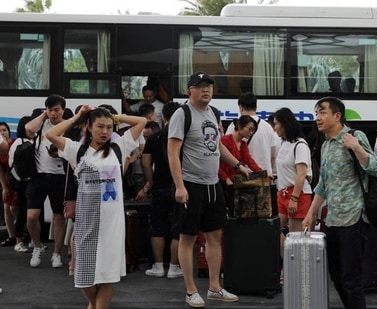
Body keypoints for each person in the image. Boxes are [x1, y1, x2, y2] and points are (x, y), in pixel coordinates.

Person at [45, 105, 146, 309]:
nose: (105, 132)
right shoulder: (77, 149)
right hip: (87, 223)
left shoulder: (120, 147)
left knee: (107, 276)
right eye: (100, 126)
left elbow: (141, 122)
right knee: (85, 277)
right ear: (89, 127)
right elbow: (51, 134)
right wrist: (78, 117)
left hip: (112, 224)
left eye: (109, 127)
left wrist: (115, 117)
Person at [167, 71, 248, 308]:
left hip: (213, 184)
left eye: (209, 86)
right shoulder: (182, 114)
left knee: (215, 237)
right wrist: (180, 186)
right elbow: (172, 152)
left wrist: (238, 165)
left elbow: (217, 147)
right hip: (190, 185)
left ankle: (215, 287)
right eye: (200, 86)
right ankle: (191, 290)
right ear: (189, 91)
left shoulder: (214, 113)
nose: (206, 90)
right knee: (188, 238)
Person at [302, 97, 377, 309]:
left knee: (351, 277)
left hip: (354, 217)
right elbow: (323, 185)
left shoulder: (355, 137)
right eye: (316, 112)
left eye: (322, 112)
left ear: (337, 116)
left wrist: (356, 148)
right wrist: (311, 213)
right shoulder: (326, 145)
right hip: (333, 219)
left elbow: (375, 168)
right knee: (336, 275)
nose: (317, 117)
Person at [25, 94, 70, 268]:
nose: (53, 113)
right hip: (38, 175)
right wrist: (43, 115)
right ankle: (37, 246)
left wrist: (58, 153)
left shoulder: (68, 126)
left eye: (57, 110)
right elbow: (29, 129)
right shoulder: (43, 123)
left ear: (63, 110)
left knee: (59, 216)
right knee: (31, 217)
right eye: (50, 110)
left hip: (60, 176)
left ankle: (57, 253)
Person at [139, 102, 183, 279]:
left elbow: (146, 164)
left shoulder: (153, 138)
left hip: (160, 186)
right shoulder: (182, 137)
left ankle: (157, 266)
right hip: (179, 186)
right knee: (178, 227)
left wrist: (152, 182)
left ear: (163, 117)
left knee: (157, 225)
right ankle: (174, 266)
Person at [273, 108, 313, 233]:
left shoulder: (300, 145)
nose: (274, 128)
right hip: (283, 192)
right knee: (276, 231)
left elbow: (301, 174)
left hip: (298, 194)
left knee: (295, 237)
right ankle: (283, 253)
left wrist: (294, 199)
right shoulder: (283, 143)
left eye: (276, 124)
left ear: (285, 124)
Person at [225, 92, 278, 176]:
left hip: (242, 176)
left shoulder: (235, 125)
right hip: (264, 175)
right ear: (256, 107)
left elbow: (225, 150)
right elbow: (273, 155)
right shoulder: (268, 127)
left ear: (241, 107)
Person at [219, 115, 263, 215]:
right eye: (250, 129)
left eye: (253, 131)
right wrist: (225, 178)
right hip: (224, 182)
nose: (251, 133)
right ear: (240, 126)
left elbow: (249, 160)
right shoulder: (225, 140)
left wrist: (262, 173)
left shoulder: (242, 144)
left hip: (235, 182)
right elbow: (217, 164)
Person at [8, 116, 34, 253]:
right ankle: (18, 241)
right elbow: (12, 164)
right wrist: (22, 180)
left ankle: (32, 240)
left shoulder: (34, 141)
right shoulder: (18, 143)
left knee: (33, 212)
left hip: (31, 181)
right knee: (23, 212)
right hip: (22, 182)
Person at [0, 122, 18, 248]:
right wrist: (4, 187)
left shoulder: (15, 144)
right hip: (7, 180)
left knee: (14, 208)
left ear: (9, 132)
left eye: (4, 130)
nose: (2, 133)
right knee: (6, 208)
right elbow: (0, 170)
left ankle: (23, 231)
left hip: (18, 180)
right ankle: (11, 236)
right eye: (0, 131)